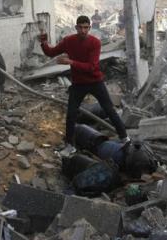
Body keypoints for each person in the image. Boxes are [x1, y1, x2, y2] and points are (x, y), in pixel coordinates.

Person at [38, 15, 129, 156]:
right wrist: (43, 42)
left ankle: (125, 139)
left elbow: (92, 67)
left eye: (86, 27)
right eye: (80, 27)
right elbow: (51, 52)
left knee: (110, 110)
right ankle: (70, 145)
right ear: (76, 27)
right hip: (78, 84)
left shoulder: (95, 43)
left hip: (95, 82)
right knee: (71, 115)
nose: (83, 30)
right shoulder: (69, 41)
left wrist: (71, 62)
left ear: (90, 28)